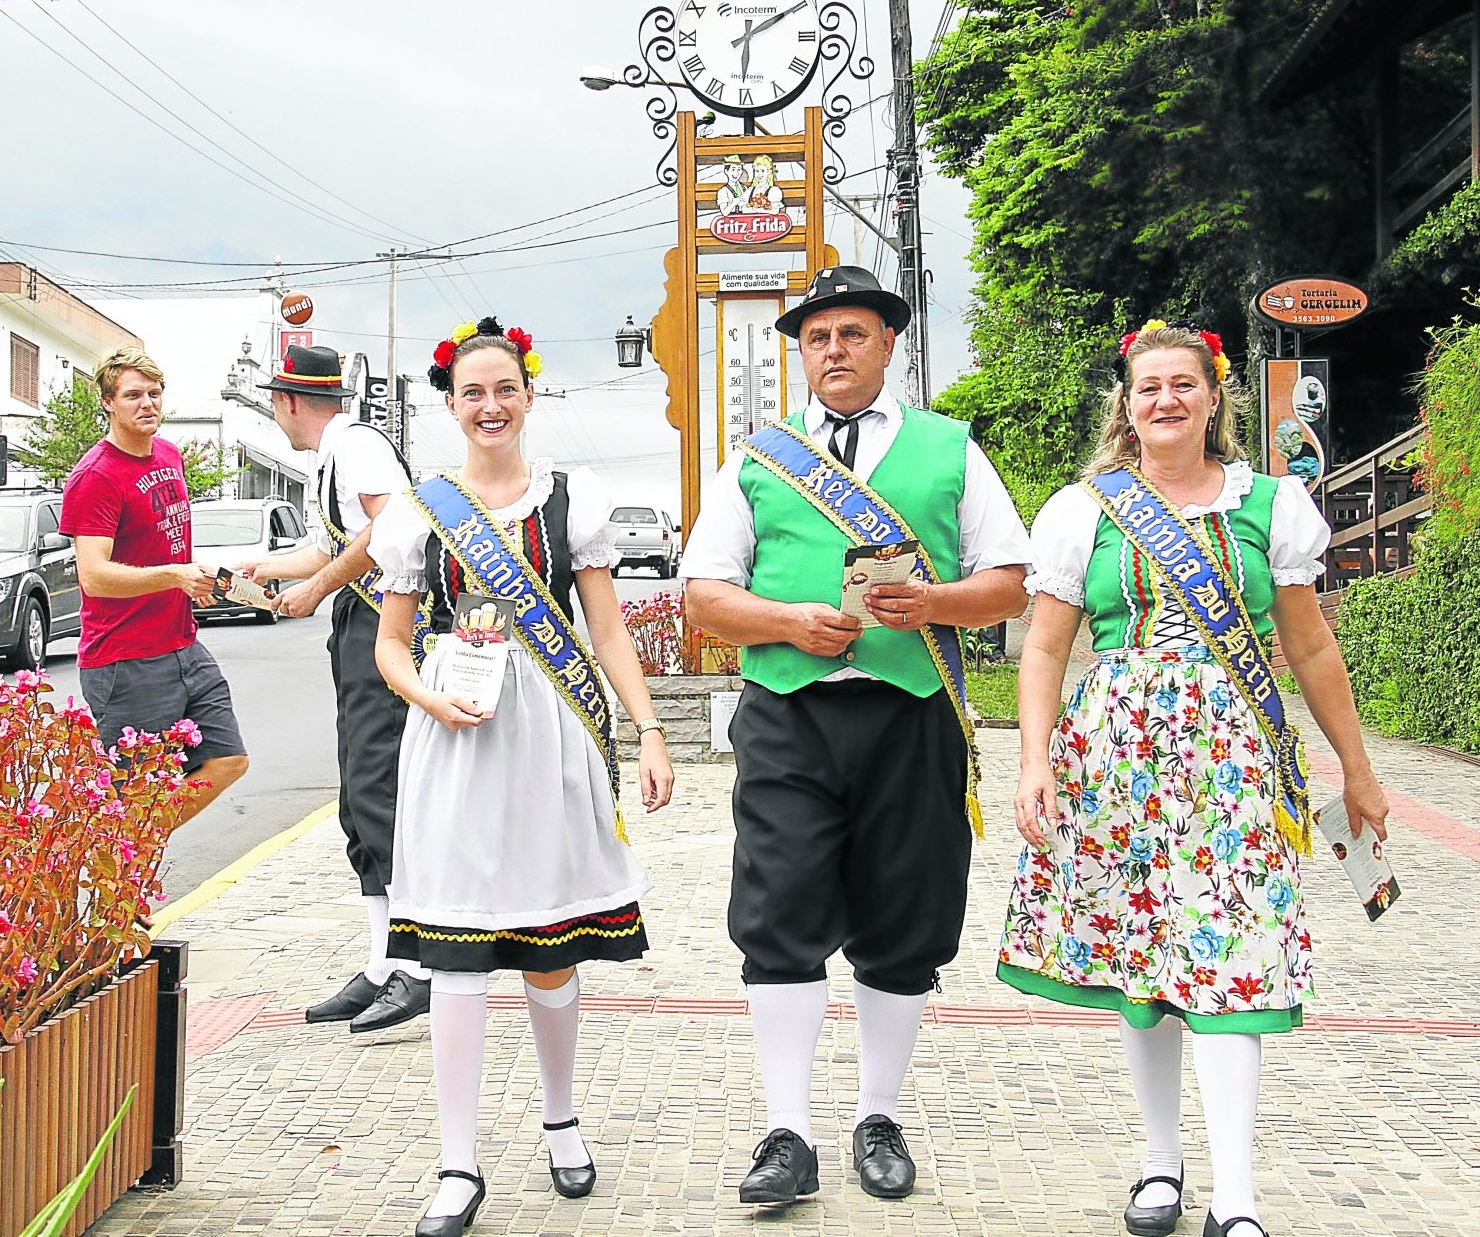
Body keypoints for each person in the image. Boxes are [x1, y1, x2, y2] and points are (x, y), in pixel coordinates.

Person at [1000, 321, 1392, 1237]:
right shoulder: (1084, 510)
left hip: (1234, 761)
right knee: (1142, 962)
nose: (1166, 400)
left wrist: (1358, 769)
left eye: (1184, 384)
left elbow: (1310, 647)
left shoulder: (1270, 506)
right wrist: (1034, 760)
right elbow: (1045, 648)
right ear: (1127, 405)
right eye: (1149, 387)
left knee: (1234, 960)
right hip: (1116, 761)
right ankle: (1159, 1164)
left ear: (1215, 398)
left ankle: (1237, 1200)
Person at [681, 266, 1031, 1208]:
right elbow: (704, 595)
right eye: (817, 337)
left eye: (852, 334)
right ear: (801, 353)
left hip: (913, 712)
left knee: (905, 916)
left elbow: (1009, 582)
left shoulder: (950, 448)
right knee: (777, 908)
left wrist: (935, 603)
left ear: (888, 344)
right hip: (788, 714)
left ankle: (879, 1116)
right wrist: (788, 623)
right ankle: (787, 1130)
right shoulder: (758, 460)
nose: (833, 350)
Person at [367, 317, 674, 1236]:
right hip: (455, 740)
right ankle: (457, 1165)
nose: (490, 406)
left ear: (529, 395)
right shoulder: (421, 512)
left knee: (551, 946)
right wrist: (427, 695)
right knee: (455, 949)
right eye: (474, 393)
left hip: (549, 738)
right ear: (452, 406)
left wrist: (650, 731)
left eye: (505, 389)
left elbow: (607, 630)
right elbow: (390, 644)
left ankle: (561, 1118)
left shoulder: (570, 503)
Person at [236, 343, 430, 1036]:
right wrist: (264, 568)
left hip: (385, 620)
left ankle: (418, 966)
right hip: (359, 617)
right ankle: (382, 963)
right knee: (358, 799)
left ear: (288, 401)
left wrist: (318, 587)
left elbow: (393, 525)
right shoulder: (334, 454)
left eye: (275, 403)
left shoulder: (358, 447)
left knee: (379, 788)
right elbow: (332, 545)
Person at [61, 347, 249, 826]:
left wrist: (193, 580)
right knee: (135, 795)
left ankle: (136, 841)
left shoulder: (167, 455)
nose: (147, 404)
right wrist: (173, 576)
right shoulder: (96, 476)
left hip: (182, 645)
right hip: (125, 661)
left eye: (154, 393)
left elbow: (164, 544)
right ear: (108, 403)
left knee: (228, 760)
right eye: (132, 395)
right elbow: (94, 576)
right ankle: (128, 853)